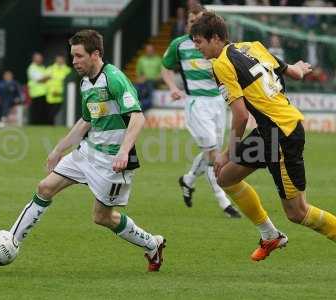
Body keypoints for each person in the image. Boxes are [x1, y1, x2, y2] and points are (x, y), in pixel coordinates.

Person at [0, 29, 166, 272]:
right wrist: (57, 150)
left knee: (102, 217)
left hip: (112, 161)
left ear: (95, 54)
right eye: (72, 56)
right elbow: (85, 121)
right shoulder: (87, 83)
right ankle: (11, 242)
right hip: (87, 152)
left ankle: (152, 244)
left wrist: (124, 152)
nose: (73, 61)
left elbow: (137, 117)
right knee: (44, 187)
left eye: (78, 56)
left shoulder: (114, 78)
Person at [191, 11, 336, 261]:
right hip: (269, 132)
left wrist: (228, 152)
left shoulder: (222, 64)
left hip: (281, 134)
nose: (197, 48)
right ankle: (270, 235)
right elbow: (291, 72)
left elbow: (239, 116)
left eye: (199, 42)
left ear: (215, 38)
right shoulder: (252, 46)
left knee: (297, 212)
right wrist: (300, 69)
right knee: (225, 177)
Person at [161, 3, 241, 218]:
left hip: (218, 102)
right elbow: (165, 67)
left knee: (211, 152)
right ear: (187, 22)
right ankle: (224, 202)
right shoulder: (179, 45)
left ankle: (187, 181)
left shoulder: (215, 46)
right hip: (197, 104)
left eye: (198, 21)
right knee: (214, 154)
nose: (194, 25)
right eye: (191, 21)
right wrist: (172, 87)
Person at [135, 44, 162, 111]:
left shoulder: (158, 59)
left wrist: (158, 77)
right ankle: (137, 104)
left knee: (149, 85)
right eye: (148, 50)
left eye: (151, 50)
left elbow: (162, 73)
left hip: (155, 81)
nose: (149, 51)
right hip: (144, 81)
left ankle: (146, 105)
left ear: (154, 50)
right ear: (145, 51)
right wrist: (141, 78)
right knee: (135, 87)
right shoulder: (141, 59)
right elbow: (138, 73)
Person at [46, 55, 71, 125]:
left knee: (59, 113)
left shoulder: (67, 70)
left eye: (61, 59)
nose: (59, 61)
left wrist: (61, 93)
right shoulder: (50, 69)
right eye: (58, 59)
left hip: (61, 96)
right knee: (50, 114)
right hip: (51, 95)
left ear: (64, 60)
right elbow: (45, 81)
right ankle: (50, 126)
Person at [27, 52, 50, 125]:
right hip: (36, 94)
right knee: (35, 112)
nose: (40, 59)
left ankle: (41, 125)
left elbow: (45, 78)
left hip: (44, 93)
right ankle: (34, 125)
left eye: (40, 58)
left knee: (42, 112)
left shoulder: (42, 67)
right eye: (38, 58)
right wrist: (47, 77)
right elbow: (39, 79)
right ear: (34, 59)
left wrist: (46, 77)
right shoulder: (32, 68)